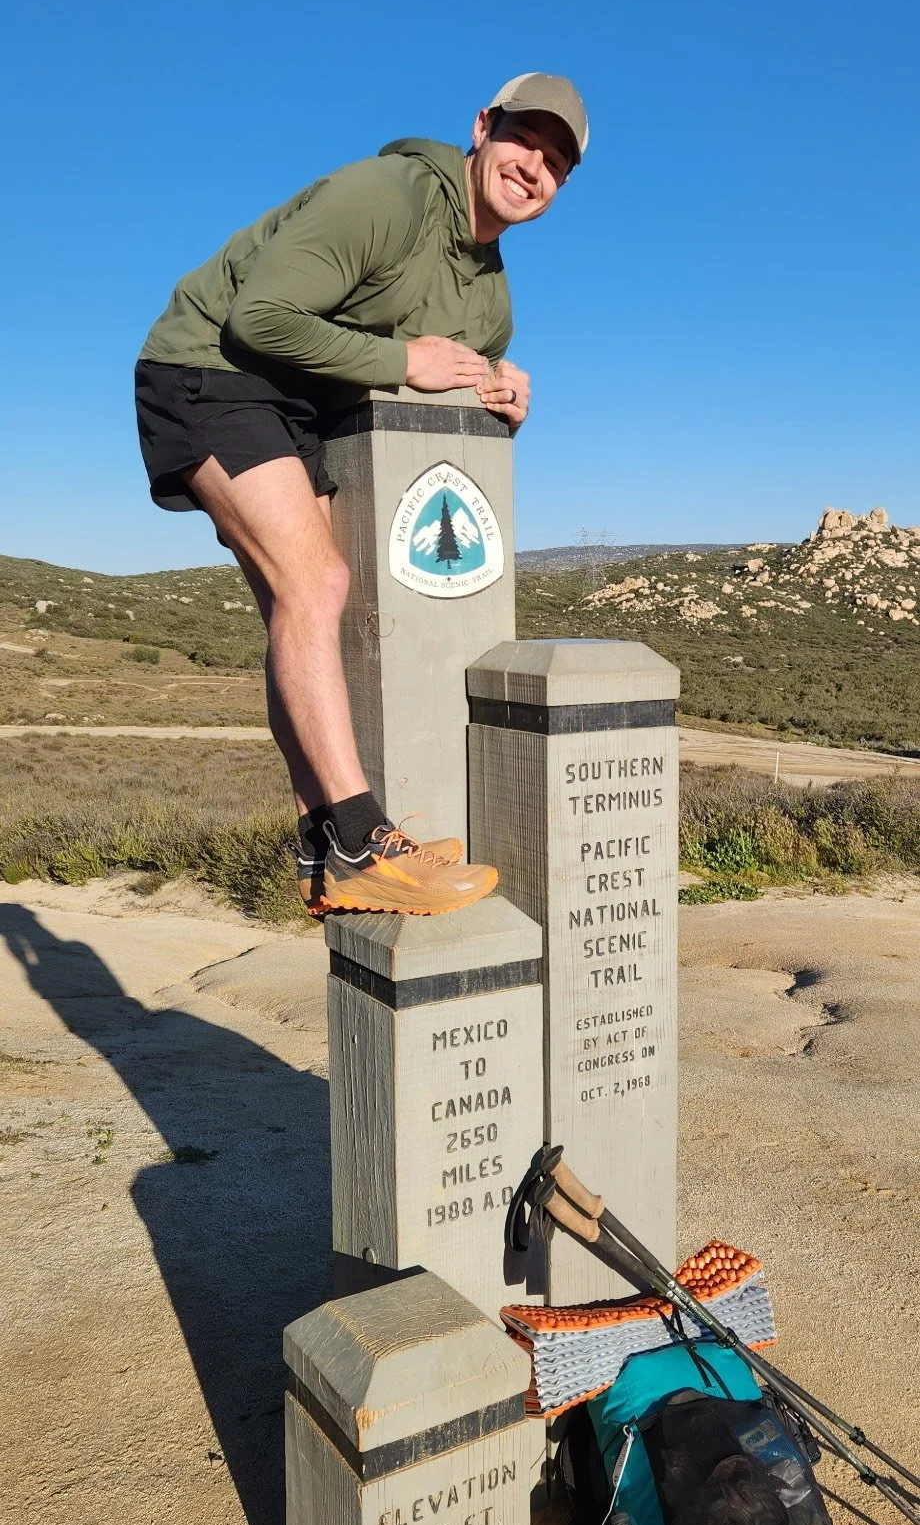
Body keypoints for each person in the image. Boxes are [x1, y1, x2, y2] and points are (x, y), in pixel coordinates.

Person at [135, 73, 588, 914]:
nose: (534, 166)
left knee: (298, 599)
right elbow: (260, 317)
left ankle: (321, 846)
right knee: (318, 582)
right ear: (483, 127)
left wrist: (499, 404)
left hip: (300, 405)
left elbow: (435, 401)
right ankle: (359, 836)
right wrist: (402, 361)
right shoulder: (389, 194)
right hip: (209, 368)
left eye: (556, 163)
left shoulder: (490, 299)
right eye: (525, 139)